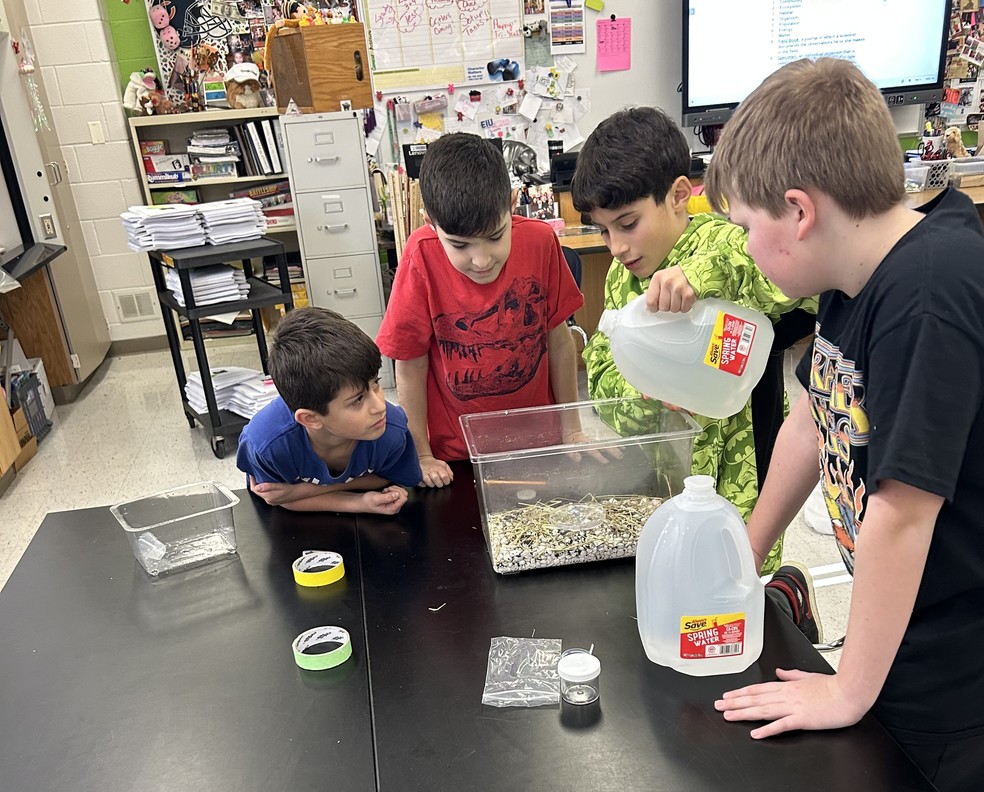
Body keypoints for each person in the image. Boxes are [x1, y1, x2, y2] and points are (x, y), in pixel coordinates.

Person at [705, 58, 984, 791]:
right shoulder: (860, 277)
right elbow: (816, 421)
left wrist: (849, 687)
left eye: (746, 227)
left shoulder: (929, 295)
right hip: (908, 628)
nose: (747, 248)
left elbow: (904, 513)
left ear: (799, 210)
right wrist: (744, 554)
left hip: (964, 665)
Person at [570, 106, 818, 579]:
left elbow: (790, 286)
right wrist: (641, 397)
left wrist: (699, 276)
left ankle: (787, 594)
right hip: (670, 482)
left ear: (679, 195)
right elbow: (603, 383)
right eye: (603, 231)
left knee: (741, 588)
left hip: (746, 482)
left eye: (627, 223)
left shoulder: (723, 242)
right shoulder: (621, 285)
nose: (616, 248)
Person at [376, 132, 584, 487]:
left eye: (495, 236)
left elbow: (559, 341)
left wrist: (573, 430)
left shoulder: (540, 240)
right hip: (459, 454)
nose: (482, 260)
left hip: (540, 445)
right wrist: (422, 455)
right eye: (459, 245)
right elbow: (410, 363)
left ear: (512, 200)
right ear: (430, 222)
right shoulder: (421, 254)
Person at [237, 307, 420, 514]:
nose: (379, 406)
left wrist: (303, 491)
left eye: (375, 383)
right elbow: (274, 498)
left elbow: (394, 475)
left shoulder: (391, 428)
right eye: (358, 400)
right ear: (310, 418)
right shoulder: (267, 444)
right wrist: (358, 503)